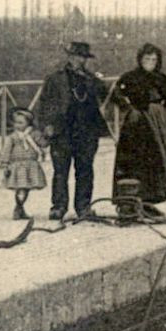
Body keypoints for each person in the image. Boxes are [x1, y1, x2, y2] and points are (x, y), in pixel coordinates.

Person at [36, 40, 109, 221]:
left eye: (83, 57)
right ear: (69, 56)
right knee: (60, 170)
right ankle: (59, 206)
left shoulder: (93, 80)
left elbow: (108, 96)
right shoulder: (54, 78)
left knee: (85, 170)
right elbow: (44, 104)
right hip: (62, 130)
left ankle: (83, 207)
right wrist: (46, 126)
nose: (80, 61)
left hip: (87, 131)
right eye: (77, 56)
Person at [112, 42, 166, 206]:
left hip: (158, 122)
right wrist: (128, 108)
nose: (150, 62)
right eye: (147, 58)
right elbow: (116, 93)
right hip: (136, 122)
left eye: (153, 59)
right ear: (140, 59)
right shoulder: (130, 77)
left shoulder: (161, 78)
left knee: (157, 156)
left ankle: (153, 196)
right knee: (135, 159)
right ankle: (132, 197)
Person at [1, 107, 46, 220]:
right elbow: (6, 150)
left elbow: (43, 144)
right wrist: (5, 163)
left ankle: (20, 209)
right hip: (18, 166)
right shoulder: (13, 137)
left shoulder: (34, 134)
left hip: (30, 165)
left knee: (25, 189)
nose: (17, 125)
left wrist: (44, 137)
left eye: (21, 122)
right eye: (16, 122)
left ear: (28, 123)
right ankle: (18, 208)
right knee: (21, 188)